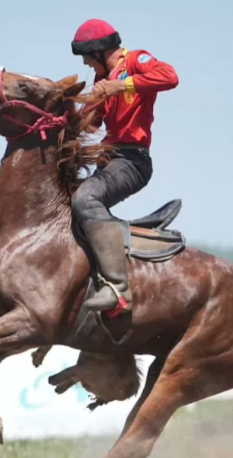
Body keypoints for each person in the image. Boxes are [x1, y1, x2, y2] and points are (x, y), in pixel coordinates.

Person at [69, 19, 179, 314]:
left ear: (100, 52)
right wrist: (78, 111)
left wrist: (122, 85)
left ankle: (118, 288)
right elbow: (91, 123)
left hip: (132, 161)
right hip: (110, 159)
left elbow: (170, 77)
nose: (87, 65)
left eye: (88, 60)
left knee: (85, 198)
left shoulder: (136, 60)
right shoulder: (100, 82)